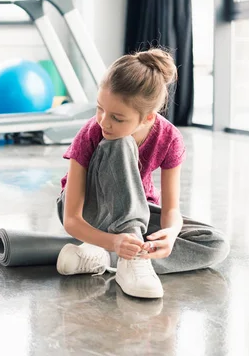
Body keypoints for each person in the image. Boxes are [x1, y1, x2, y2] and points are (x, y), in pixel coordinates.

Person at [54, 48, 230, 299]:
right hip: (89, 211)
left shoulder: (169, 138)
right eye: (100, 108)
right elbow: (71, 218)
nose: (104, 122)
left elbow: (170, 211)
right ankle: (128, 258)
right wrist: (115, 240)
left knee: (215, 244)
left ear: (148, 117)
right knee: (120, 143)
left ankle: (107, 257)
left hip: (138, 211)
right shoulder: (93, 132)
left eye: (117, 117)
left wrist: (169, 236)